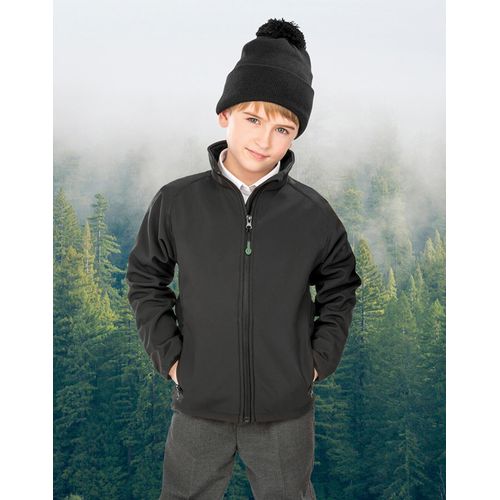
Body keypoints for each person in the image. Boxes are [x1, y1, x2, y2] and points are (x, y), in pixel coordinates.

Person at [126, 17, 362, 500]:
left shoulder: (313, 213)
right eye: (253, 119)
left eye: (283, 128)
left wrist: (316, 361)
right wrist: (171, 358)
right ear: (225, 114)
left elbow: (341, 284)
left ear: (295, 135)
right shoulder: (176, 202)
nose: (264, 140)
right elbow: (146, 278)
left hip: (285, 414)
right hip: (199, 405)